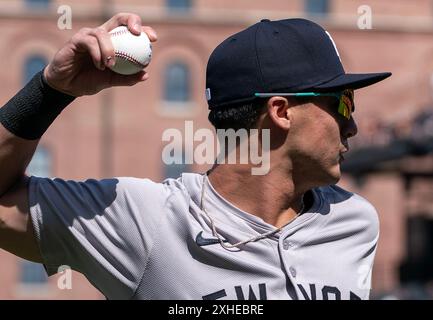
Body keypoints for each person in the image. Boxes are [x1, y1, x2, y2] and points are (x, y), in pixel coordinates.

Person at [0, 13, 391, 300]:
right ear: (281, 111)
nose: (352, 125)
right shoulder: (146, 220)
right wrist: (51, 89)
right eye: (342, 104)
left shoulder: (355, 222)